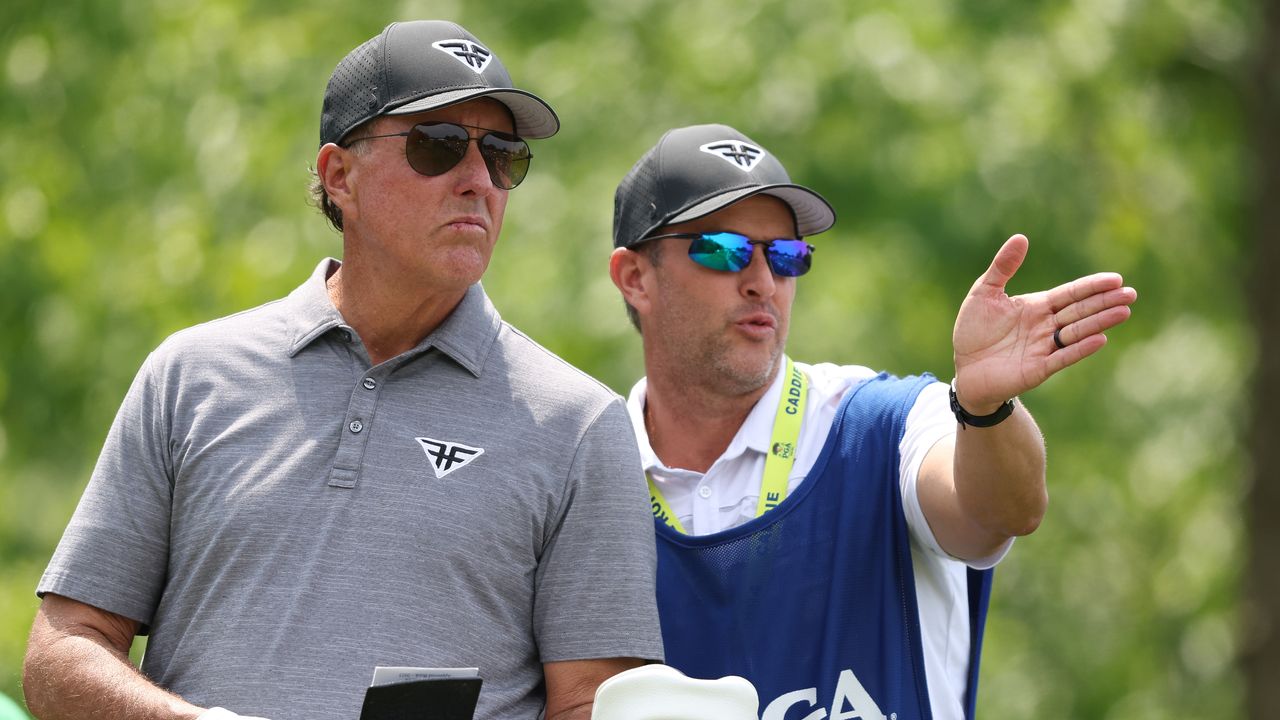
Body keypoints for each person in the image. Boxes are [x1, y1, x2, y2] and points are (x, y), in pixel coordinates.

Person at [23, 20, 663, 720]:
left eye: (503, 154)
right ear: (340, 176)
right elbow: (62, 651)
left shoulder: (579, 424)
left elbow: (590, 706)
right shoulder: (188, 377)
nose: (479, 181)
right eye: (439, 145)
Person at [607, 124, 1136, 720]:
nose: (762, 282)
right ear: (635, 278)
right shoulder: (582, 469)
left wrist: (985, 409)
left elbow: (1003, 512)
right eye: (723, 250)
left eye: (786, 256)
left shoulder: (883, 422)